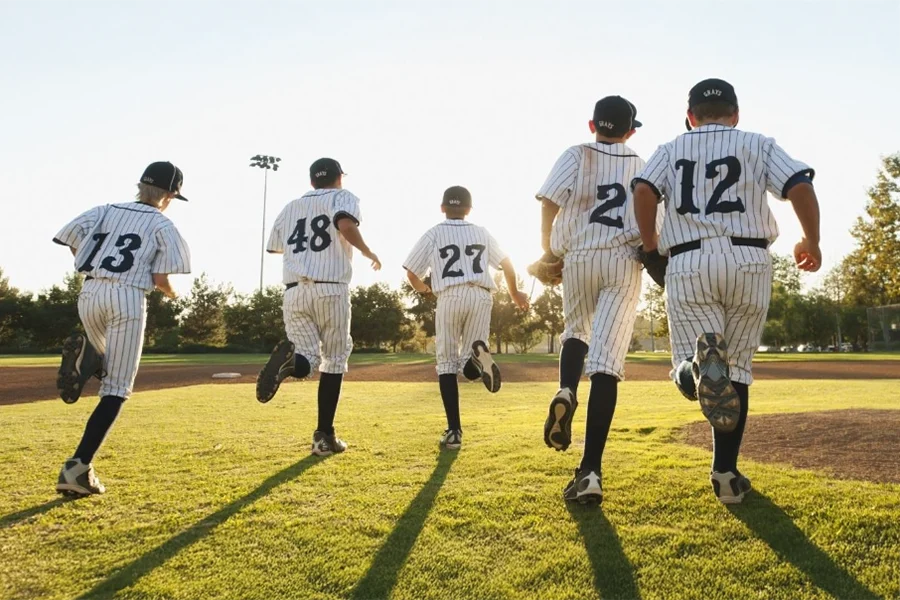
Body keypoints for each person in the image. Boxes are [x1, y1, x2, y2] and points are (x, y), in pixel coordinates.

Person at [632, 78, 821, 504]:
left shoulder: (670, 148)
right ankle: (726, 475)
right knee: (737, 372)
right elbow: (800, 187)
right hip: (749, 260)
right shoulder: (758, 143)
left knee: (692, 360)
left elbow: (643, 190)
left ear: (690, 116)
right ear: (735, 114)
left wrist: (649, 247)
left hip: (690, 260)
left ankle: (696, 370)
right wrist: (812, 240)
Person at [535, 96, 655, 503]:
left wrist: (549, 251)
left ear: (592, 125)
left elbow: (550, 200)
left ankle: (567, 388)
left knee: (576, 331)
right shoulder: (643, 162)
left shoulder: (575, 152)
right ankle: (590, 472)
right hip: (623, 259)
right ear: (631, 130)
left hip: (579, 256)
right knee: (606, 366)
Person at [53, 161, 192, 496]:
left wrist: (89, 260)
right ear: (170, 195)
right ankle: (78, 467)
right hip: (127, 297)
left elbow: (71, 239)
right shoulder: (163, 224)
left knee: (105, 362)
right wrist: (173, 295)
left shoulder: (103, 209)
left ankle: (88, 358)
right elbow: (160, 279)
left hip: (89, 292)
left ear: (140, 186)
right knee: (116, 388)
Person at [256, 158, 381, 457]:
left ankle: (290, 363)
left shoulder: (290, 207)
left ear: (312, 181)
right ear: (339, 178)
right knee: (334, 360)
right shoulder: (343, 197)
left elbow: (275, 247)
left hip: (294, 290)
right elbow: (345, 224)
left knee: (308, 359)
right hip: (330, 288)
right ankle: (324, 436)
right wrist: (367, 251)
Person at [403, 186, 529, 450]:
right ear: (469, 209)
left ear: (442, 208)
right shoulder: (481, 232)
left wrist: (425, 291)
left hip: (450, 295)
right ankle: (476, 356)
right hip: (482, 295)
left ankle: (454, 432)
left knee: (446, 365)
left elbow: (411, 273)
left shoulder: (434, 233)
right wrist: (515, 292)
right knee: (468, 370)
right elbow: (506, 263)